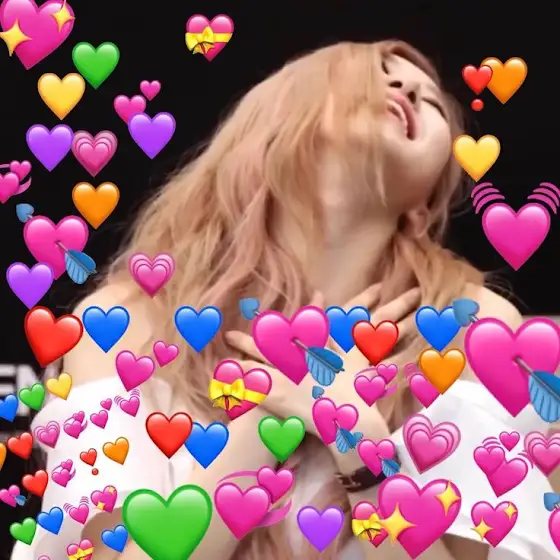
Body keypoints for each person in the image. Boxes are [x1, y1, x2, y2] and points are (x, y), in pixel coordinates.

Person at [11, 40, 557, 560]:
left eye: (432, 101)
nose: (410, 91)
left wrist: (361, 446)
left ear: (425, 203)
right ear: (278, 120)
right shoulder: (123, 321)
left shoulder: (476, 329)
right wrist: (271, 417)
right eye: (375, 75)